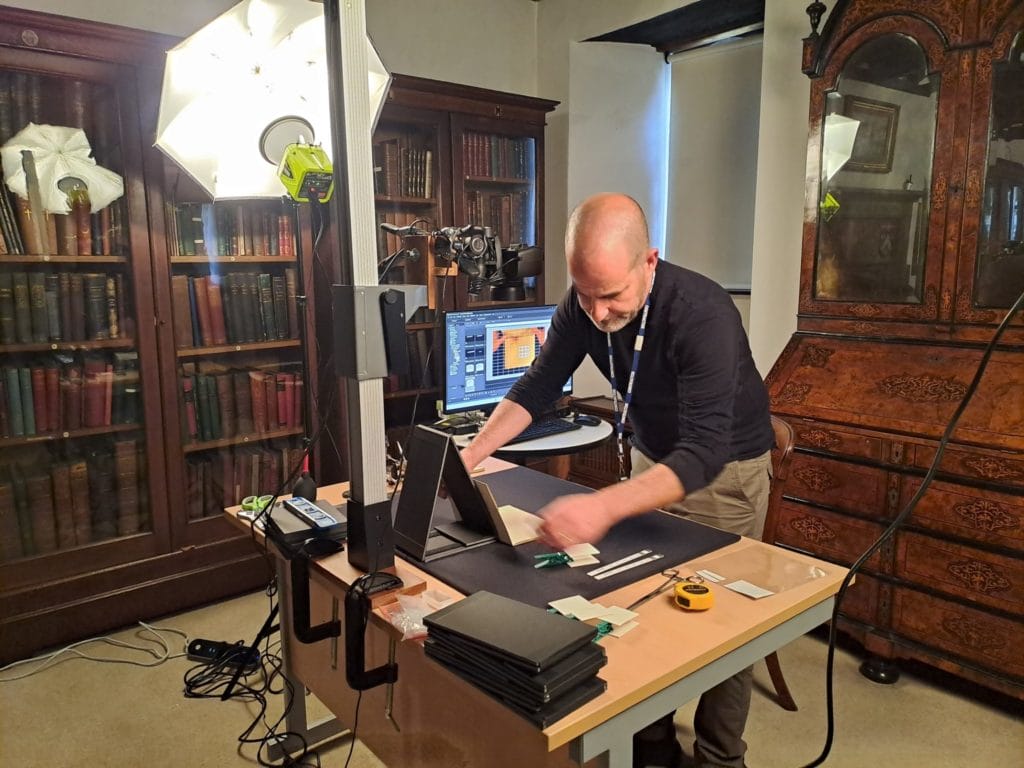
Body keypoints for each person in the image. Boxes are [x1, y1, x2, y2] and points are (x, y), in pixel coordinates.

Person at [458, 193, 774, 768]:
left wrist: (603, 506)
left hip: (725, 469)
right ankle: (652, 745)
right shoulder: (583, 304)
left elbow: (703, 453)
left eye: (612, 295)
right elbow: (537, 385)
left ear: (649, 261)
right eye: (586, 295)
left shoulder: (703, 313)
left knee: (724, 621)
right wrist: (472, 453)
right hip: (655, 456)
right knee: (642, 600)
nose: (598, 313)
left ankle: (720, 757)